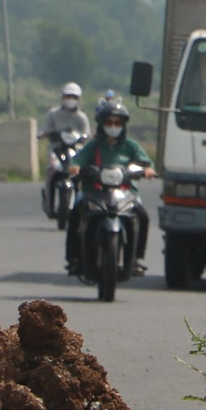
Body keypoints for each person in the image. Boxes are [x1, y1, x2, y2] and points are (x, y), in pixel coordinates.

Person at [64, 99, 152, 274]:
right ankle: (74, 258)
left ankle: (135, 259)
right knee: (75, 212)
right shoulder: (94, 146)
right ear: (102, 124)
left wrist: (147, 169)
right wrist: (75, 167)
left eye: (117, 123)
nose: (113, 126)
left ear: (123, 125)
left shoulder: (130, 146)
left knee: (143, 216)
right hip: (94, 191)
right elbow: (77, 160)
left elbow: (145, 162)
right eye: (109, 122)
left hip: (125, 193)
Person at [40, 83, 92, 208]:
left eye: (73, 97)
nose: (70, 99)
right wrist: (44, 134)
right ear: (63, 97)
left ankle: (82, 203)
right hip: (56, 148)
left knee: (82, 175)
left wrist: (83, 137)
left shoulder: (81, 117)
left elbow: (87, 134)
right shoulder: (53, 114)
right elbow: (44, 129)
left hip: (76, 150)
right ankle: (48, 199)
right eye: (68, 96)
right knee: (51, 171)